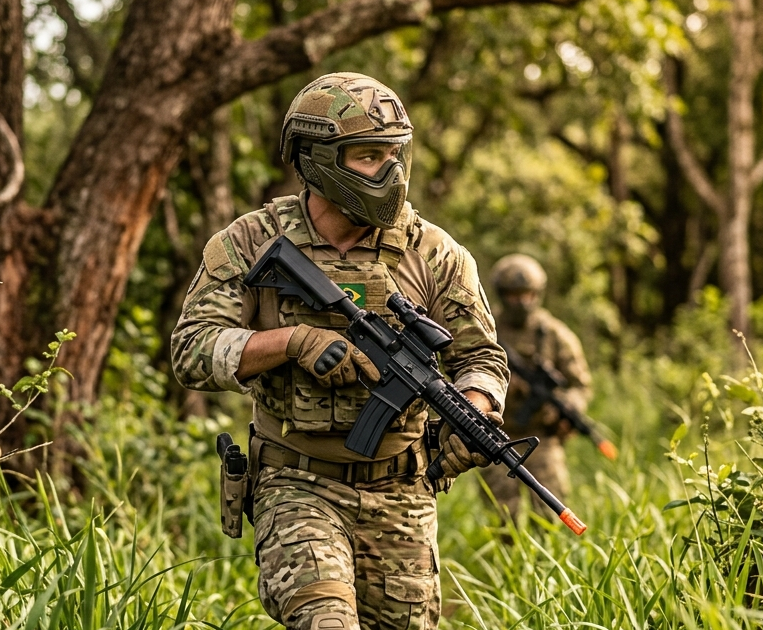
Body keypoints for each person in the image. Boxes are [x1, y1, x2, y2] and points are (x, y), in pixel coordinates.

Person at [171, 72, 509, 630]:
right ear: (317, 160)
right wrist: (292, 342)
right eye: (370, 156)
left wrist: (473, 408)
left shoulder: (435, 252)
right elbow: (191, 348)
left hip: (401, 492)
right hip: (296, 482)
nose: (391, 172)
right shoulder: (250, 242)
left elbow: (482, 358)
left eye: (395, 154)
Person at [480, 254, 592, 520]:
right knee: (502, 517)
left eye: (527, 295)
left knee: (550, 514)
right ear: (502, 294)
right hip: (497, 437)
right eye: (514, 295)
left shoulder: (554, 334)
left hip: (543, 437)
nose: (522, 303)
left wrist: (567, 406)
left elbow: (580, 385)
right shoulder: (486, 330)